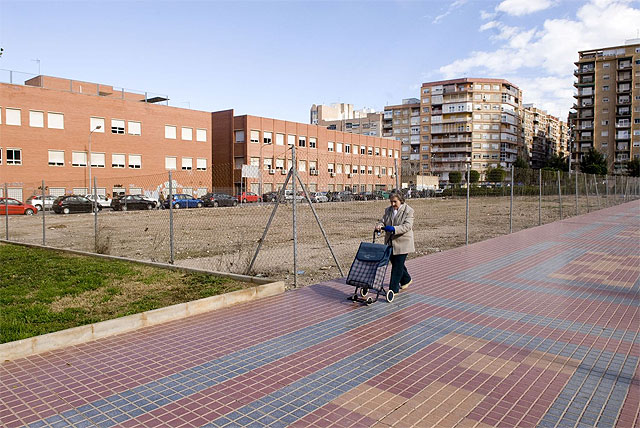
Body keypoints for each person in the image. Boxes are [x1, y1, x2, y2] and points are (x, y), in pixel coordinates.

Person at [375, 192, 415, 294]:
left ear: (401, 200)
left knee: (397, 266)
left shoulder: (408, 211)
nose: (392, 204)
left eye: (395, 201)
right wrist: (379, 225)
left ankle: (393, 289)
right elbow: (383, 220)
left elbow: (407, 226)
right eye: (391, 201)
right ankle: (406, 280)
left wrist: (394, 229)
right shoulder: (388, 210)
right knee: (397, 263)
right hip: (390, 242)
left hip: (403, 243)